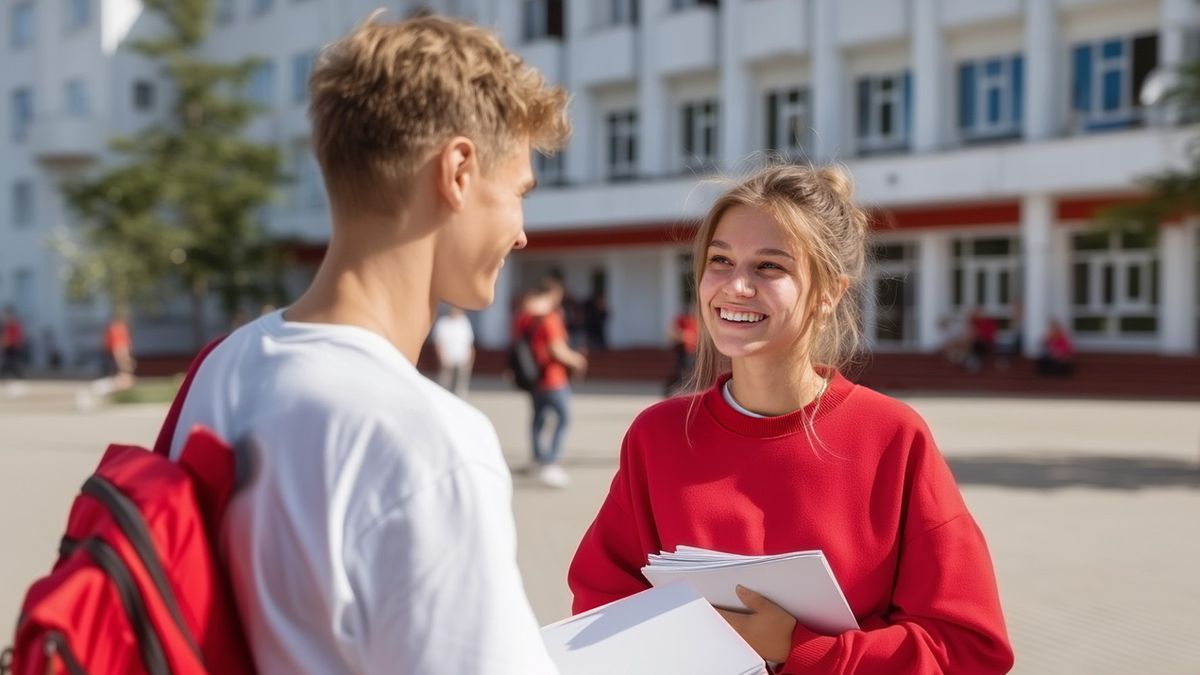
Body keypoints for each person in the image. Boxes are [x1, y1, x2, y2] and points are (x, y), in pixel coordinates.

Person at [166, 14, 569, 674]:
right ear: (459, 170)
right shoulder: (427, 441)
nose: (523, 233)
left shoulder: (224, 365)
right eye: (519, 192)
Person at [568, 165, 1014, 673]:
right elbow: (599, 607)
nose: (735, 286)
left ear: (829, 294)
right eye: (720, 260)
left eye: (769, 267)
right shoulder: (658, 436)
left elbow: (967, 650)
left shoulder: (892, 437)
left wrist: (799, 649)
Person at [515, 277, 587, 488]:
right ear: (553, 296)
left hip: (534, 377)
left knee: (538, 420)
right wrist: (577, 360)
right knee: (563, 419)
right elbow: (557, 349)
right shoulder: (550, 318)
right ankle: (551, 461)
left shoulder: (526, 318)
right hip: (554, 378)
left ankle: (537, 459)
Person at [432, 305, 475, 397]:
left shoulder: (464, 322)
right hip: (448, 360)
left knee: (460, 388)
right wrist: (441, 358)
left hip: (462, 360)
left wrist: (470, 360)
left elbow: (469, 343)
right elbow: (439, 343)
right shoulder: (443, 323)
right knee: (444, 386)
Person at [662, 305, 698, 395]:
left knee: (690, 371)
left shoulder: (698, 321)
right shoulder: (682, 320)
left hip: (694, 351)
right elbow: (672, 332)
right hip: (684, 351)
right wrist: (684, 336)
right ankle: (670, 390)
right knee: (682, 371)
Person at [103, 312, 136, 391]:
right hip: (119, 350)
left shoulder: (115, 327)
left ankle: (123, 385)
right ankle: (123, 385)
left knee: (123, 370)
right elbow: (120, 345)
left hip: (116, 350)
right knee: (124, 370)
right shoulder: (118, 328)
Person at [1, 306, 26, 380]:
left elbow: (17, 337)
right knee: (7, 363)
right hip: (8, 347)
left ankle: (19, 377)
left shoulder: (14, 324)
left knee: (13, 363)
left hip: (14, 347)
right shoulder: (5, 325)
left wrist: (9, 342)